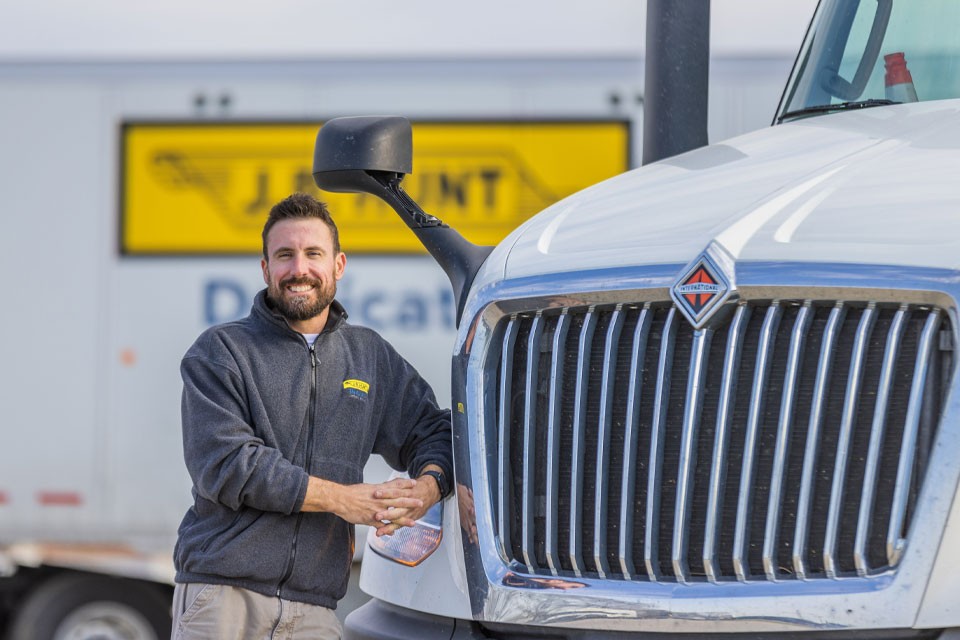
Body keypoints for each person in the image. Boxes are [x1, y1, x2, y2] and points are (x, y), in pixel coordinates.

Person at [171, 192, 453, 639]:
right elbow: (228, 466)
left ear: (338, 265)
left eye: (313, 254)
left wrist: (428, 486)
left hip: (315, 610)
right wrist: (345, 500)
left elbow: (433, 429)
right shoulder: (221, 352)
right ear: (265, 269)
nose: (299, 269)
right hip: (223, 600)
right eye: (285, 255)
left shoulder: (368, 356)